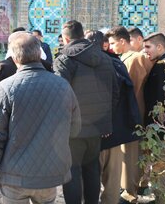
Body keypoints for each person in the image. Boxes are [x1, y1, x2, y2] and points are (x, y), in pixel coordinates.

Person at [0, 32, 81, 203]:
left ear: (14, 57)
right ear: (39, 53)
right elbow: (75, 127)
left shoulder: (6, 87)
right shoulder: (62, 85)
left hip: (14, 175)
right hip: (49, 173)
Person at [53, 20, 118, 204]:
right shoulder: (105, 57)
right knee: (92, 170)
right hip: (97, 129)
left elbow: (60, 96)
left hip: (73, 129)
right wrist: (106, 122)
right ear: (82, 35)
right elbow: (115, 92)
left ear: (66, 38)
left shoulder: (64, 59)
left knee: (72, 171)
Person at [86, 30, 141, 204]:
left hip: (89, 134)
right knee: (112, 183)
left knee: (90, 178)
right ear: (104, 44)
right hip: (114, 131)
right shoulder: (116, 63)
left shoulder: (80, 64)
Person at [105, 26, 154, 203]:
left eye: (112, 43)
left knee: (132, 152)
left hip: (134, 114)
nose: (111, 46)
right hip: (132, 114)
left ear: (122, 41)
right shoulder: (126, 58)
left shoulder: (135, 59)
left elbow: (132, 89)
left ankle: (130, 191)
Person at [143, 32, 165, 126]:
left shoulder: (163, 64)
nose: (145, 51)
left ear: (159, 47)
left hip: (161, 123)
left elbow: (163, 95)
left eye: (148, 47)